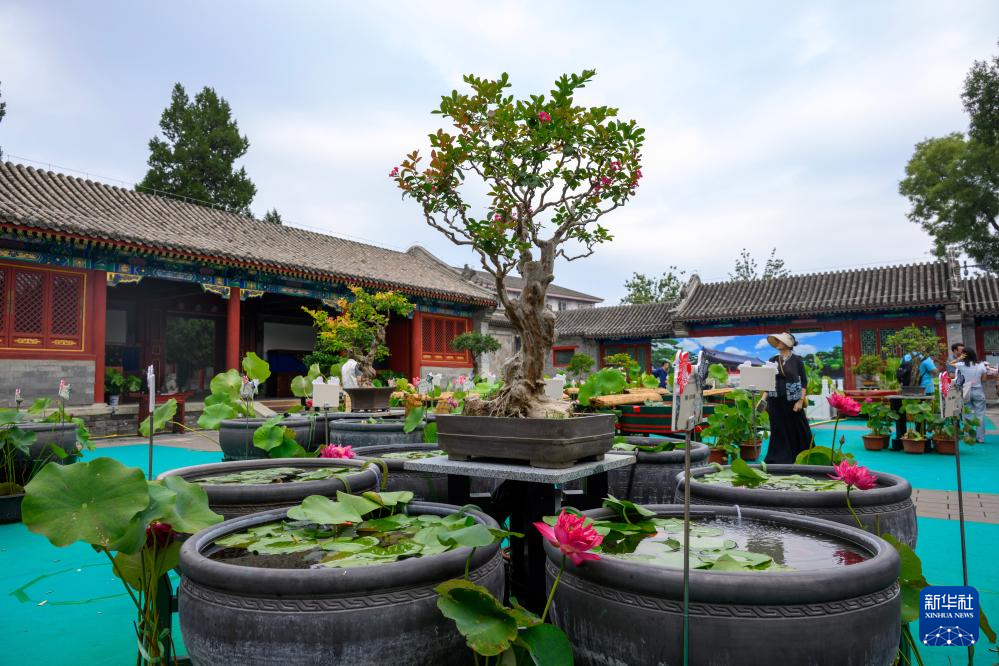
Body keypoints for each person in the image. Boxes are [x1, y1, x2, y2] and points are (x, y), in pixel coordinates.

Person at [763, 332, 813, 464]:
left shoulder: (797, 360)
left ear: (787, 344)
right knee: (777, 428)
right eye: (777, 341)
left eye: (780, 341)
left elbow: (804, 382)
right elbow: (767, 381)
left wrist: (800, 401)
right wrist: (763, 400)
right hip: (774, 399)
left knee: (798, 427)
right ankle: (778, 458)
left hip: (792, 400)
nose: (777, 343)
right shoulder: (772, 360)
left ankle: (803, 456)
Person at [954, 349, 997, 444]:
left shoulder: (959, 365)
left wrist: (959, 358)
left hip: (965, 391)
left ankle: (968, 437)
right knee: (980, 414)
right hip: (978, 391)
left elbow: (952, 366)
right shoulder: (981, 365)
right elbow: (984, 379)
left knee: (967, 414)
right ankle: (980, 438)